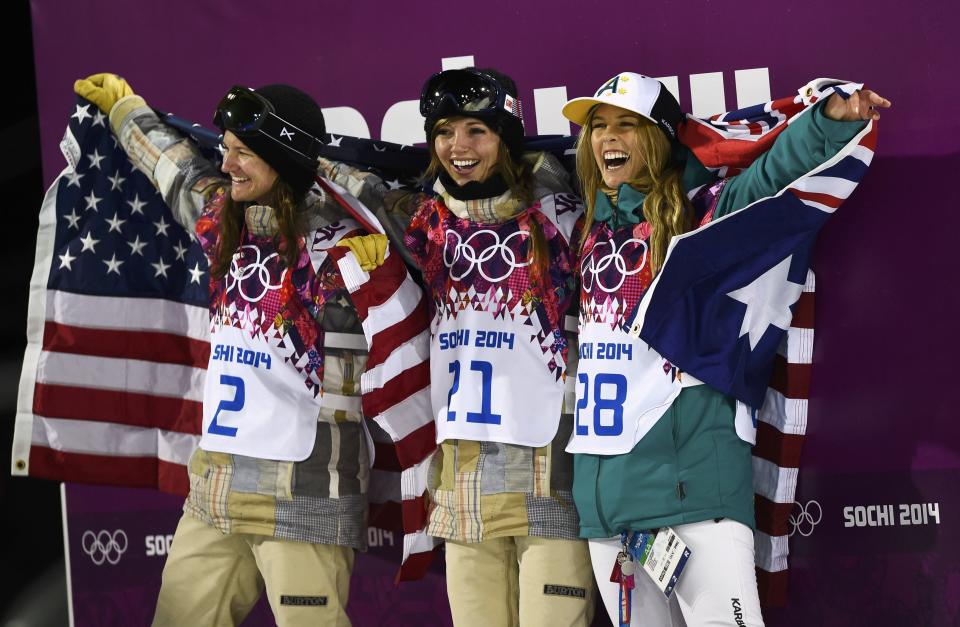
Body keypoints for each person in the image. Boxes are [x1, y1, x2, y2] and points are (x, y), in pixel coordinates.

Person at [73, 73, 424, 627]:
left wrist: (326, 170)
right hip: (216, 490)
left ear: (283, 157)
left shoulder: (353, 236)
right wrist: (124, 108)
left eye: (243, 153)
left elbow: (446, 223)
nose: (227, 164)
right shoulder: (223, 222)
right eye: (228, 149)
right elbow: (171, 165)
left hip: (308, 495)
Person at [560, 72, 890, 626]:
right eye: (598, 126)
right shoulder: (587, 232)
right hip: (607, 507)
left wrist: (829, 123)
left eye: (625, 125)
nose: (606, 138)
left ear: (661, 137)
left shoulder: (702, 216)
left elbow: (770, 178)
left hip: (693, 490)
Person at [325, 67, 595, 626]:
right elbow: (328, 172)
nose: (458, 147)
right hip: (464, 492)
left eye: (477, 130)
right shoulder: (425, 221)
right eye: (445, 132)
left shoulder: (567, 213)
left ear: (507, 135)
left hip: (552, 487)